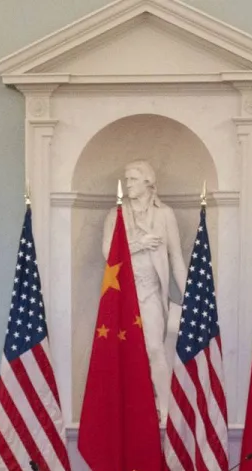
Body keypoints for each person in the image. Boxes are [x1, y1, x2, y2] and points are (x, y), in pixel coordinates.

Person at [101, 159, 187, 424]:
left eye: (133, 179)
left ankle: (163, 408)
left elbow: (176, 259)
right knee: (122, 352)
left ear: (148, 182)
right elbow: (108, 253)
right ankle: (128, 407)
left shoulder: (164, 214)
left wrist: (189, 298)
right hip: (123, 292)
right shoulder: (116, 214)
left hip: (151, 289)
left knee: (153, 348)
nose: (127, 184)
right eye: (126, 179)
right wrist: (139, 243)